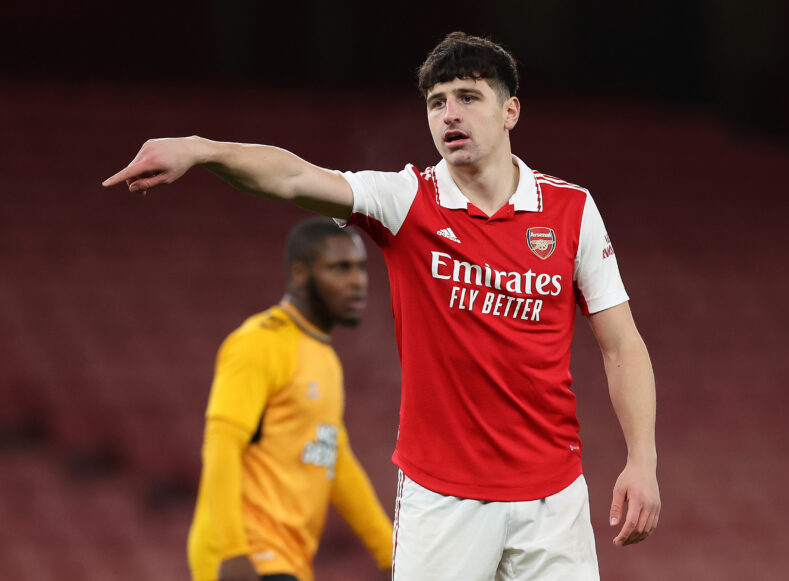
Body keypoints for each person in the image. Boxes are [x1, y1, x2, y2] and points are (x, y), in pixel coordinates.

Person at [106, 32, 660, 581]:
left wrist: (642, 460)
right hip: (442, 499)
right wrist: (203, 151)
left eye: (468, 97)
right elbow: (295, 176)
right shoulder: (407, 201)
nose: (449, 115)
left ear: (510, 110)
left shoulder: (571, 210)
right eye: (436, 103)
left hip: (552, 499)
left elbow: (621, 345)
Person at [185, 218, 393, 581]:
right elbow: (221, 446)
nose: (358, 281)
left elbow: (337, 462)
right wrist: (234, 554)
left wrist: (392, 555)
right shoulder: (258, 343)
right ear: (300, 273)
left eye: (361, 267)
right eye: (340, 268)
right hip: (248, 560)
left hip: (288, 563)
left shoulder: (324, 358)